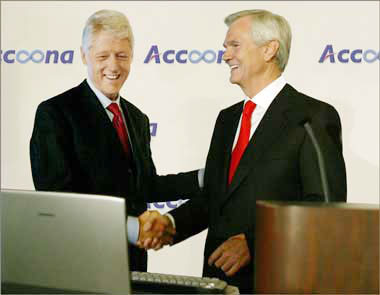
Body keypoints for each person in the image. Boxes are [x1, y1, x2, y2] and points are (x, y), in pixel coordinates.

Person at [139, 9, 347, 293]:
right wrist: (170, 224)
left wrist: (255, 243)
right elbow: (214, 198)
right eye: (226, 47)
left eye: (234, 45)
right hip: (217, 283)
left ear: (269, 49)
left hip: (275, 282)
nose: (225, 56)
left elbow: (324, 209)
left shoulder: (312, 116)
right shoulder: (227, 119)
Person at [29, 9, 200, 272]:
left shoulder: (137, 118)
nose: (113, 66)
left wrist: (206, 177)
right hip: (81, 264)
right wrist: (132, 228)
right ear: (84, 56)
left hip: (132, 264)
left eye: (122, 56)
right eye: (102, 56)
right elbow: (60, 202)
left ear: (132, 57)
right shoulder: (55, 113)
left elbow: (147, 186)